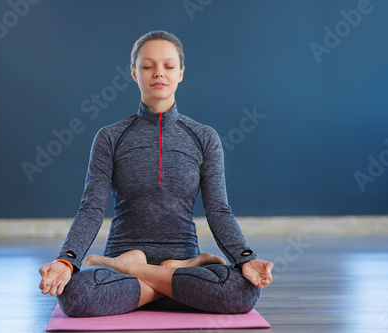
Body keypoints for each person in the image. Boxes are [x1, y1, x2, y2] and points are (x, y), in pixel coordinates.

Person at [38, 30, 273, 317]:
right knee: (76, 295)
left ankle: (139, 269)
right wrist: (67, 260)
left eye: (168, 66)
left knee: (243, 291)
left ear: (181, 73)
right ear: (134, 73)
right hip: (135, 262)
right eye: (148, 66)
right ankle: (161, 275)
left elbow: (218, 210)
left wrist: (245, 258)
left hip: (172, 259)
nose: (158, 74)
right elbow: (92, 208)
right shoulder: (110, 137)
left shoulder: (204, 137)